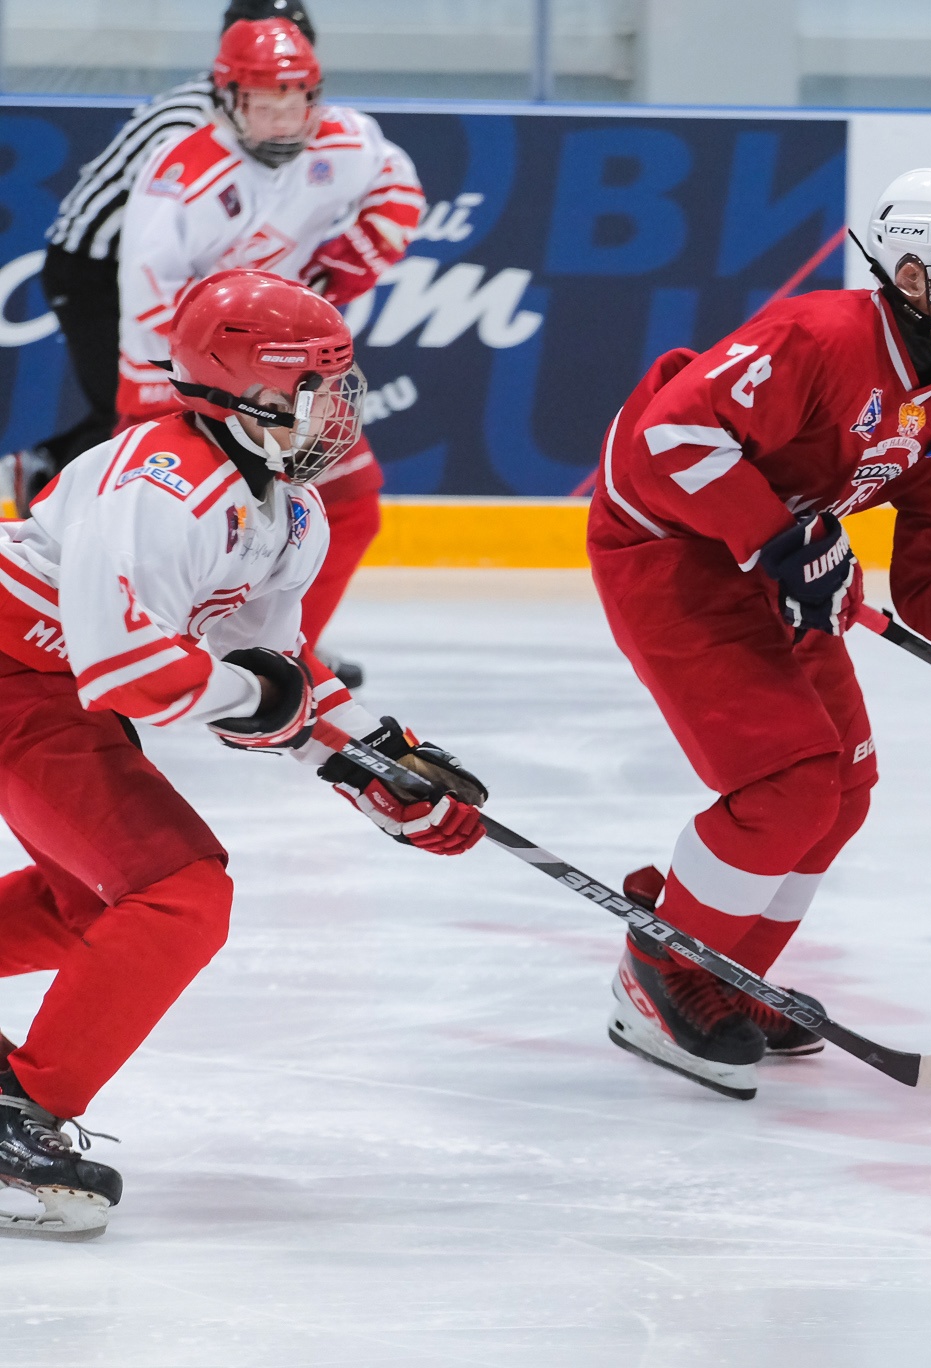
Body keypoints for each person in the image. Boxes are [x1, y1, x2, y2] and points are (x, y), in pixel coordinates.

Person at [0, 271, 485, 1241]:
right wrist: (265, 701)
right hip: (22, 679)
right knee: (176, 896)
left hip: (46, 687)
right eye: (314, 384)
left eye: (338, 382)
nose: (336, 407)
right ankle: (21, 1114)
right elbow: (131, 670)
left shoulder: (288, 510)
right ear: (244, 388)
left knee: (98, 904)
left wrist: (372, 766)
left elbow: (272, 666)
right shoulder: (160, 485)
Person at [587, 167, 931, 1101]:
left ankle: (725, 972)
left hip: (780, 564)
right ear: (912, 277)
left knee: (844, 787)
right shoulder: (820, 337)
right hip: (671, 547)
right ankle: (664, 971)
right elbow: (670, 440)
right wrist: (779, 538)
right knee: (788, 782)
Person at [117, 16, 421, 679]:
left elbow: (398, 186)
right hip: (186, 377)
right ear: (230, 99)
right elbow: (147, 300)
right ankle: (152, 663)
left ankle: (283, 659)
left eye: (297, 101)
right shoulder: (182, 175)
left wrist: (348, 264)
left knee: (350, 501)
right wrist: (208, 378)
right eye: (265, 104)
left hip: (284, 373)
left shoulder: (345, 139)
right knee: (177, 532)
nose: (285, 120)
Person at [14, 0, 317, 510]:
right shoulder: (188, 123)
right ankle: (59, 499)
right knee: (141, 402)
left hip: (149, 266)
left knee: (154, 400)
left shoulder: (253, 109)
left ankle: (50, 470)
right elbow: (156, 237)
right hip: (96, 267)